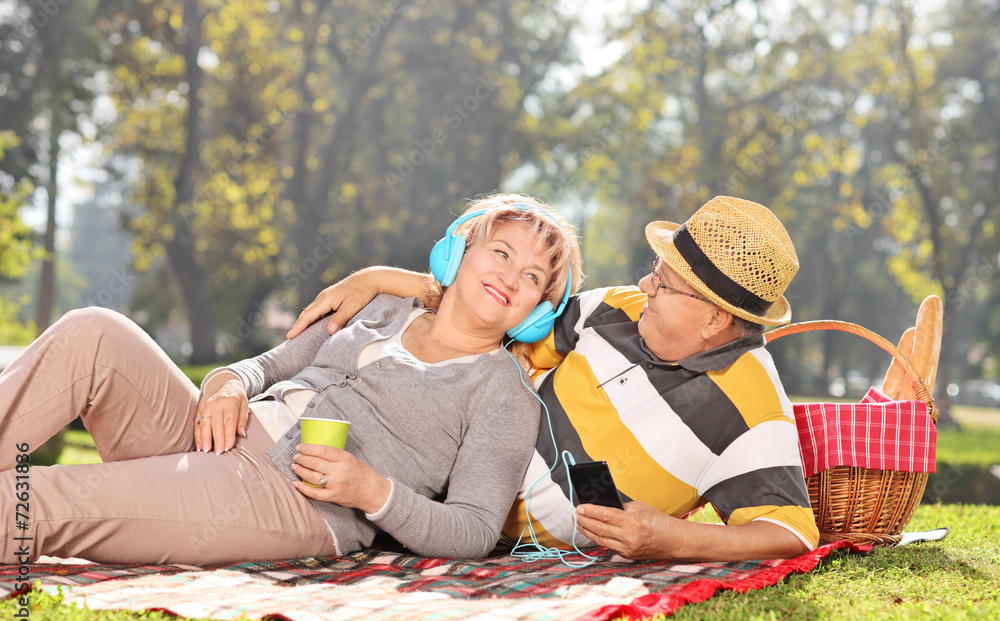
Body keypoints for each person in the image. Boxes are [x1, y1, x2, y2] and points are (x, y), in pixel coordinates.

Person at [0, 193, 583, 566]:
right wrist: (227, 381)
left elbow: (476, 530)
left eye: (533, 276)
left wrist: (373, 493)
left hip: (285, 499)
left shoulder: (503, 394)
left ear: (535, 312)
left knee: (44, 497)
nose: (511, 275)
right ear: (457, 253)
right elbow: (268, 366)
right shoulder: (378, 307)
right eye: (501, 252)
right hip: (213, 434)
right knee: (94, 332)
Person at [289, 196, 820, 561]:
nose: (644, 285)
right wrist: (380, 279)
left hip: (457, 527)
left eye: (664, 283)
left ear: (713, 319)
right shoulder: (617, 308)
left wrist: (669, 538)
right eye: (653, 272)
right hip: (426, 475)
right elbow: (499, 310)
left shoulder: (751, 406)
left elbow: (791, 532)